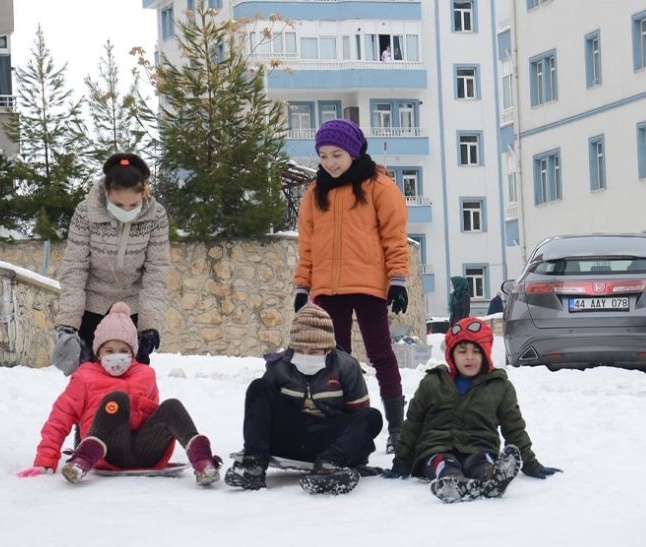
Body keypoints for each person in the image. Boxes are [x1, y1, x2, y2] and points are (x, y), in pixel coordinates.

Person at [293, 118, 409, 454]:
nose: (329, 162)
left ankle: (397, 429)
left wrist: (397, 280)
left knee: (381, 354)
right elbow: (308, 245)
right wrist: (303, 286)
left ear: (354, 153)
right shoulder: (315, 194)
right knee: (336, 360)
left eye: (337, 155)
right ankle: (341, 425)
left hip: (369, 286)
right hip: (329, 289)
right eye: (324, 155)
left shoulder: (379, 187)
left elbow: (394, 238)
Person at [18, 302, 222, 486]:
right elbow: (59, 419)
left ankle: (203, 462)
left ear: (132, 353)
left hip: (146, 450)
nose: (117, 356)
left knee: (172, 406)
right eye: (109, 350)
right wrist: (45, 460)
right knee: (117, 399)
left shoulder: (146, 375)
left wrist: (141, 407)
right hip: (106, 451)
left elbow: (155, 420)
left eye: (123, 350)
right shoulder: (85, 377)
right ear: (98, 352)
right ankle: (82, 462)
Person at [384, 317, 561, 503]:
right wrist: (401, 464)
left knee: (482, 461)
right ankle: (452, 481)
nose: (469, 357)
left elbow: (514, 428)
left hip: (480, 446)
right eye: (462, 351)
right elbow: (413, 424)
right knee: (442, 461)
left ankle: (492, 478)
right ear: (451, 354)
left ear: (486, 353)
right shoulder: (433, 382)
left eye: (477, 351)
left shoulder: (499, 386)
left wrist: (531, 464)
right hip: (437, 447)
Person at [226, 303, 384, 495]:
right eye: (301, 350)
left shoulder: (347, 367)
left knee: (372, 416)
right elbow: (262, 411)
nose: (306, 356)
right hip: (289, 435)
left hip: (328, 439)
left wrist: (354, 453)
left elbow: (359, 420)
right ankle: (254, 465)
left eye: (314, 352)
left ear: (328, 349)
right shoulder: (279, 367)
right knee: (258, 388)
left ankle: (329, 466)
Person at [51, 153, 169, 376]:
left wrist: (149, 325)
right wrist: (68, 324)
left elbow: (156, 273)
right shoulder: (86, 213)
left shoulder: (156, 217)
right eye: (118, 204)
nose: (126, 211)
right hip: (91, 307)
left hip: (132, 308)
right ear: (106, 192)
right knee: (89, 379)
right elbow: (75, 269)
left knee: (134, 381)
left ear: (144, 193)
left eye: (133, 204)